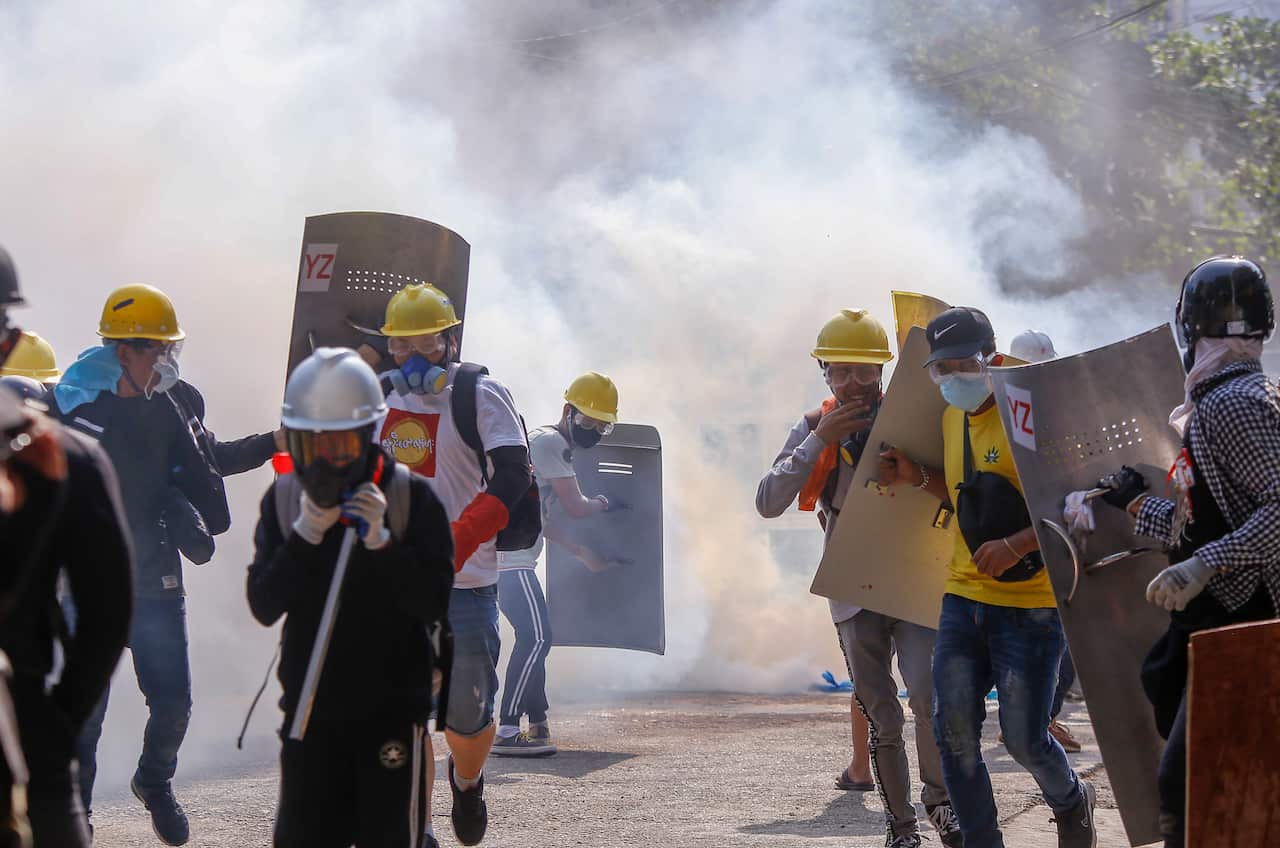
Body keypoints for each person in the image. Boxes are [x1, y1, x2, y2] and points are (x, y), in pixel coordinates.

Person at [55, 284, 282, 845]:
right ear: (123, 350)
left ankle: (153, 782)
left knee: (174, 703)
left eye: (169, 347)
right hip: (87, 586)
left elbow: (213, 462)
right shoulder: (76, 411)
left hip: (156, 580)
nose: (168, 359)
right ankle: (75, 821)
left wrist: (276, 441)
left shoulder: (179, 406)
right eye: (157, 349)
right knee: (85, 717)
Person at [879, 306, 1096, 848]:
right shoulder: (952, 419)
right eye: (940, 371)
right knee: (951, 730)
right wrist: (916, 476)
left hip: (1032, 605)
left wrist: (1018, 545)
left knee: (1024, 739)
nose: (951, 380)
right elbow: (965, 500)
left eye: (962, 365)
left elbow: (1074, 503)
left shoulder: (1030, 416)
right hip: (963, 595)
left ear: (991, 359)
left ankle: (1072, 800)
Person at [757, 309, 961, 848]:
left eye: (865, 372)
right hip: (854, 584)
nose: (853, 384)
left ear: (884, 373)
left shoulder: (915, 417)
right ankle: (900, 827)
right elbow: (768, 501)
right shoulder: (812, 425)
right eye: (841, 372)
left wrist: (912, 472)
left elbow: (963, 490)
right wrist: (817, 440)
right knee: (881, 714)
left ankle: (941, 804)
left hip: (916, 575)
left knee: (928, 699)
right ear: (825, 372)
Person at [1096, 256, 1280, 848]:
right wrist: (1130, 505)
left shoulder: (1232, 404)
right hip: (1220, 617)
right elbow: (1202, 519)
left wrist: (1206, 564)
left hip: (1247, 619)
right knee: (1166, 685)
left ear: (1190, 327)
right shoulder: (1224, 398)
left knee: (1188, 782)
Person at [248, 347, 455, 848]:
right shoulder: (282, 501)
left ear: (366, 439)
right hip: (309, 717)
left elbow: (432, 601)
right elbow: (263, 603)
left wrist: (382, 543)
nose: (323, 462)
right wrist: (304, 536)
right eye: (308, 445)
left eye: (338, 447)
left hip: (389, 719)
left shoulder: (413, 501)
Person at [373, 283, 533, 845]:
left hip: (466, 583)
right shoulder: (376, 399)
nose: (411, 356)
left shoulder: (481, 394)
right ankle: (415, 830)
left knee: (467, 712)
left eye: (423, 341)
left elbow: (514, 475)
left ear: (449, 339)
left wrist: (459, 537)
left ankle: (467, 781)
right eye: (398, 345)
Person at [0, 248, 133, 848]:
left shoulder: (66, 460)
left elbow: (108, 611)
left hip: (27, 730)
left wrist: (53, 727)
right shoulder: (72, 459)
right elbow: (108, 612)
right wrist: (57, 724)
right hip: (30, 728)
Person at [492, 371, 621, 757]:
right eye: (586, 421)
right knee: (537, 637)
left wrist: (580, 552)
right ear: (567, 411)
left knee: (534, 637)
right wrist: (606, 503)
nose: (593, 431)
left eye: (602, 426)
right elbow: (576, 508)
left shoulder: (541, 443)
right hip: (509, 561)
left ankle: (537, 722)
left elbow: (543, 522)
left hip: (508, 558)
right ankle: (508, 731)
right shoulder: (550, 443)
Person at [1005, 330, 1081, 755]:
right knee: (1058, 641)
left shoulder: (1049, 414)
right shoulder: (1011, 414)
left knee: (1056, 642)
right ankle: (1039, 720)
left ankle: (1037, 718)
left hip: (1043, 540)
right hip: (1030, 544)